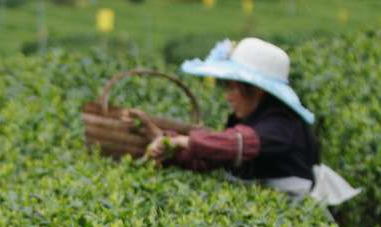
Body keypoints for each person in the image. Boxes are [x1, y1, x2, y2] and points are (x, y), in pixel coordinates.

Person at [144, 37, 359, 206]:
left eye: (232, 88)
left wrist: (184, 141)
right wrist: (171, 151)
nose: (228, 97)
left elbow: (236, 143)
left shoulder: (282, 124)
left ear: (256, 90)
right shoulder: (252, 119)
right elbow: (213, 157)